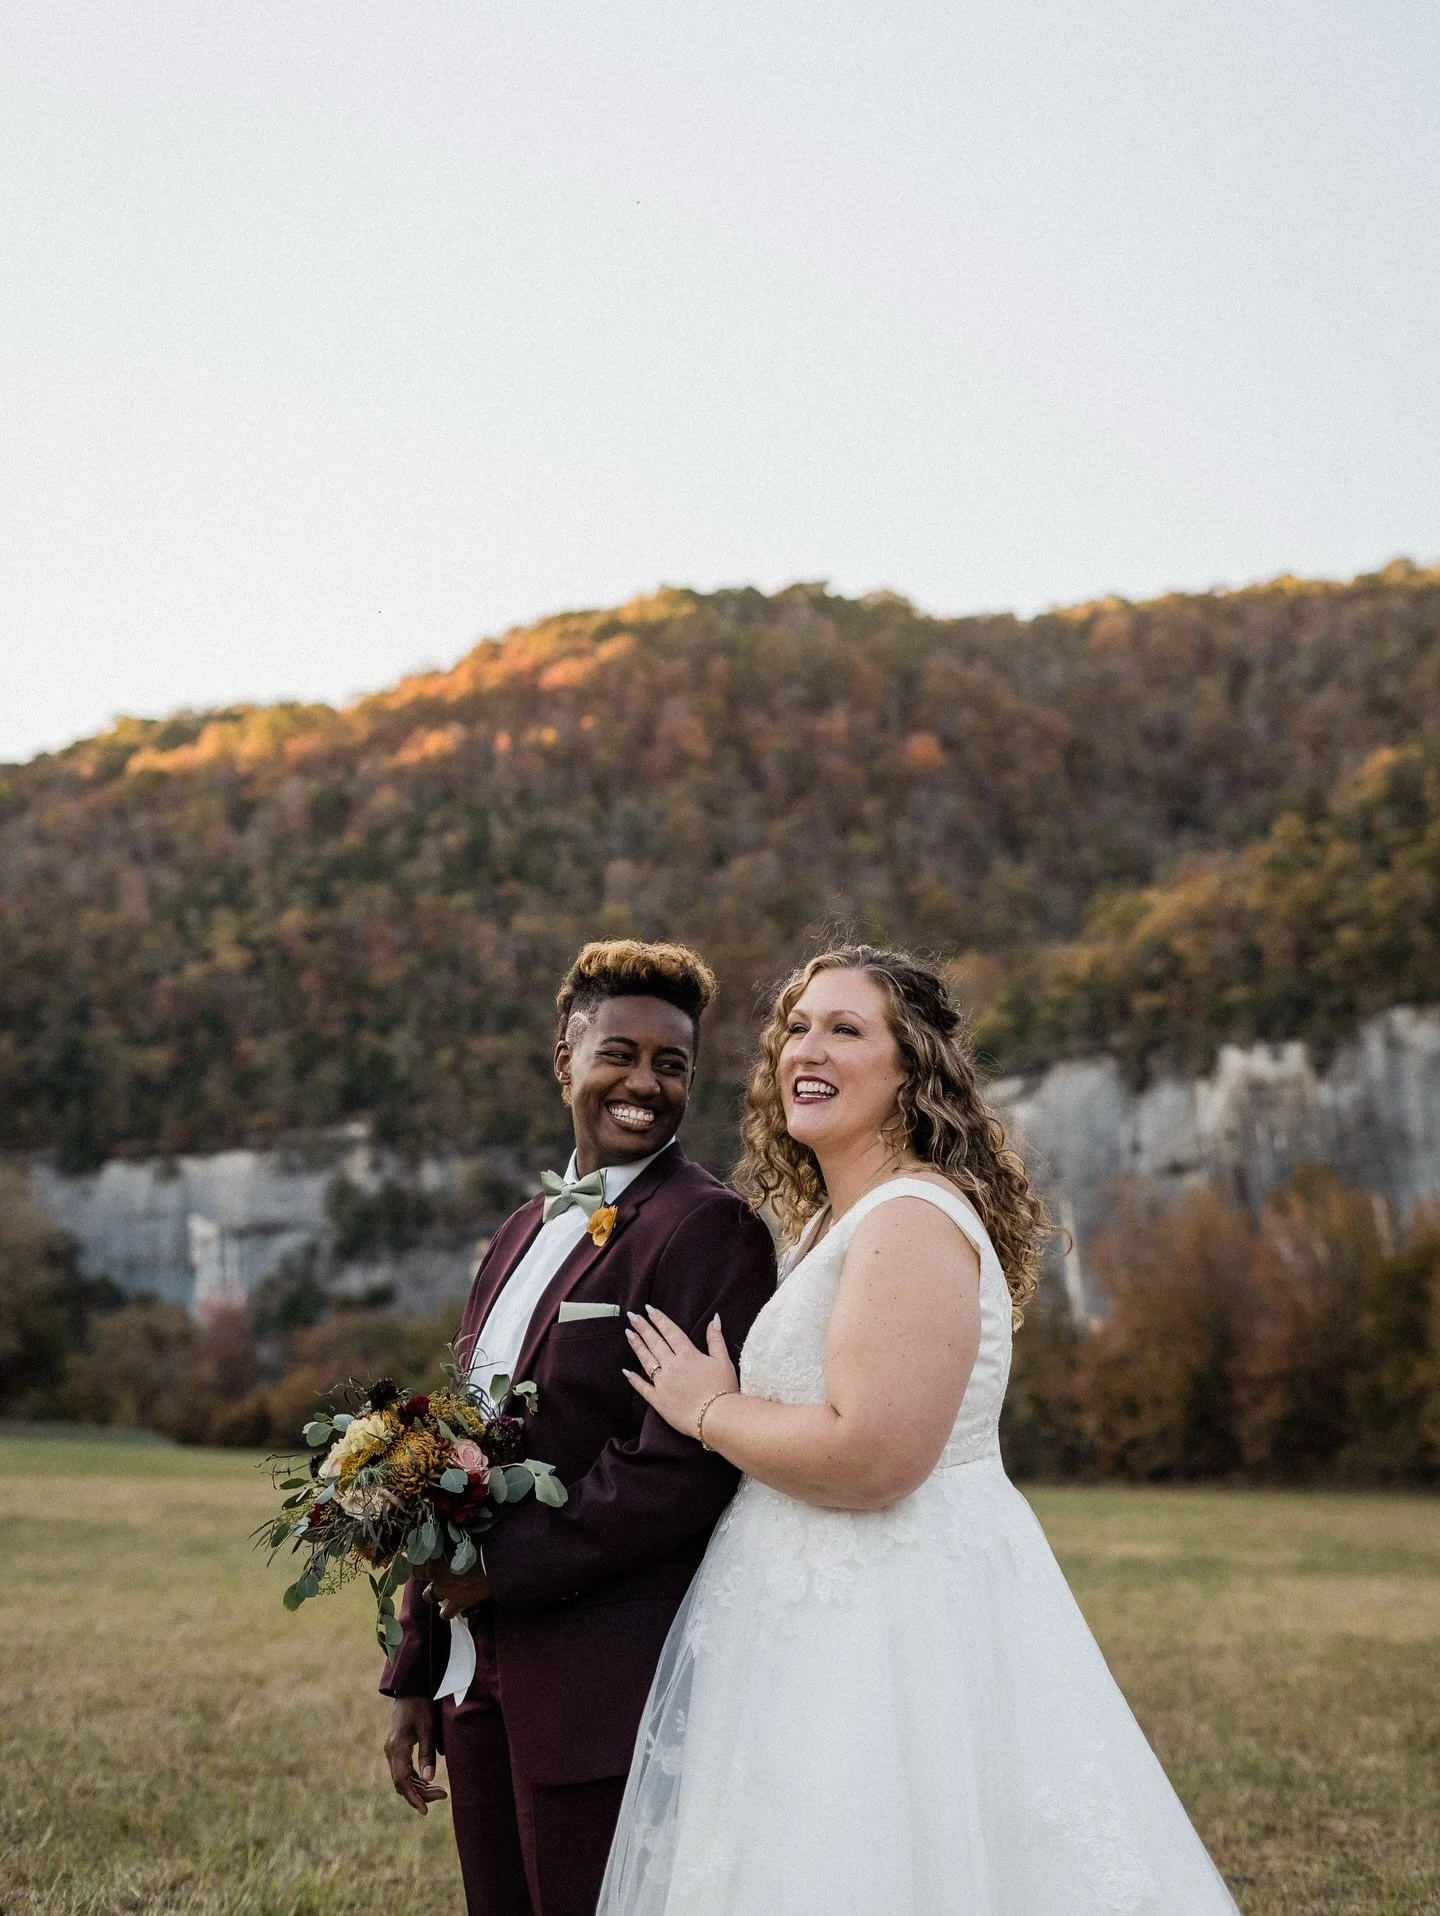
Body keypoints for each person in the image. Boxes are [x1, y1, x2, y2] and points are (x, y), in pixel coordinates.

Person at [600, 944, 1241, 1916]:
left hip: (889, 1625)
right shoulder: (830, 1222)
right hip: (803, 1613)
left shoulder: (908, 1218)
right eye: (797, 1027)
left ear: (913, 1070)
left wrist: (710, 1408)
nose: (805, 1048)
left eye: (846, 1029)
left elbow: (877, 1455)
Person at [380, 939, 776, 1916]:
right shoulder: (517, 1230)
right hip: (478, 1674)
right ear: (565, 1056)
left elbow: (679, 1471)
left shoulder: (707, 1228)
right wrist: (417, 1662)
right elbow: (457, 1466)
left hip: (602, 1688)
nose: (644, 1081)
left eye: (672, 1062)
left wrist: (497, 1571)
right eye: (619, 1052)